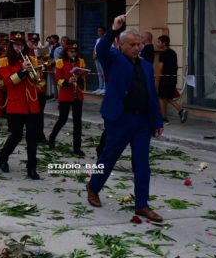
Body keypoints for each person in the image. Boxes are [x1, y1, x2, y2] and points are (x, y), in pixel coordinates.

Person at [86, 14, 164, 223]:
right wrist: (114, 29)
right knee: (109, 157)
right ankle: (93, 187)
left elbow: (151, 95)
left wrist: (157, 121)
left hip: (142, 122)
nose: (137, 48)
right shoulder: (113, 58)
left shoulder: (146, 65)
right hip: (120, 120)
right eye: (132, 45)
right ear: (121, 45)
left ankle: (142, 204)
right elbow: (101, 49)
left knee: (142, 164)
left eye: (139, 44)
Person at [0, 31, 41, 180]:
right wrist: (22, 70)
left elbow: (37, 80)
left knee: (32, 137)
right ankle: (3, 157)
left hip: (32, 103)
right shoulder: (4, 61)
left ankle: (32, 168)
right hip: (16, 104)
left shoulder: (31, 59)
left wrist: (33, 72)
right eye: (16, 45)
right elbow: (8, 83)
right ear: (11, 46)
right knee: (16, 135)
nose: (19, 48)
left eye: (21, 45)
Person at [48, 40, 86, 156]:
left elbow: (83, 78)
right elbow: (58, 80)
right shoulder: (60, 62)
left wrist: (81, 76)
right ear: (66, 51)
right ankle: (52, 138)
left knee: (77, 122)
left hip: (77, 95)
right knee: (62, 119)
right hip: (65, 95)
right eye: (71, 51)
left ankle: (77, 147)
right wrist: (67, 81)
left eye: (75, 51)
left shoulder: (80, 61)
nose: (73, 54)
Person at [156, 35, 188, 125]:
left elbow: (160, 68)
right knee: (168, 97)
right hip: (172, 79)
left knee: (161, 98)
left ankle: (164, 119)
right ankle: (181, 110)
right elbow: (176, 66)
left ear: (164, 43)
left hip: (164, 79)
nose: (157, 44)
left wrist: (157, 80)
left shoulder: (163, 54)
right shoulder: (173, 53)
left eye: (159, 42)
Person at [26, 33, 48, 143]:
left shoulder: (41, 50)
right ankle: (31, 134)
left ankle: (40, 134)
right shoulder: (24, 52)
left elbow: (49, 63)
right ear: (28, 42)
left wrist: (41, 54)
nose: (34, 44)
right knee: (30, 113)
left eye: (36, 42)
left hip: (40, 87)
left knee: (40, 113)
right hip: (30, 87)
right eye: (32, 42)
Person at [92, 26, 106, 95]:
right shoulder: (97, 40)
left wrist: (97, 54)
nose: (98, 32)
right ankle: (100, 87)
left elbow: (104, 49)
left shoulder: (106, 39)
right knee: (99, 73)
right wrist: (93, 54)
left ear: (103, 31)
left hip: (102, 58)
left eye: (100, 30)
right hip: (96, 59)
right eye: (98, 31)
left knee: (104, 73)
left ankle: (105, 88)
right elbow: (95, 48)